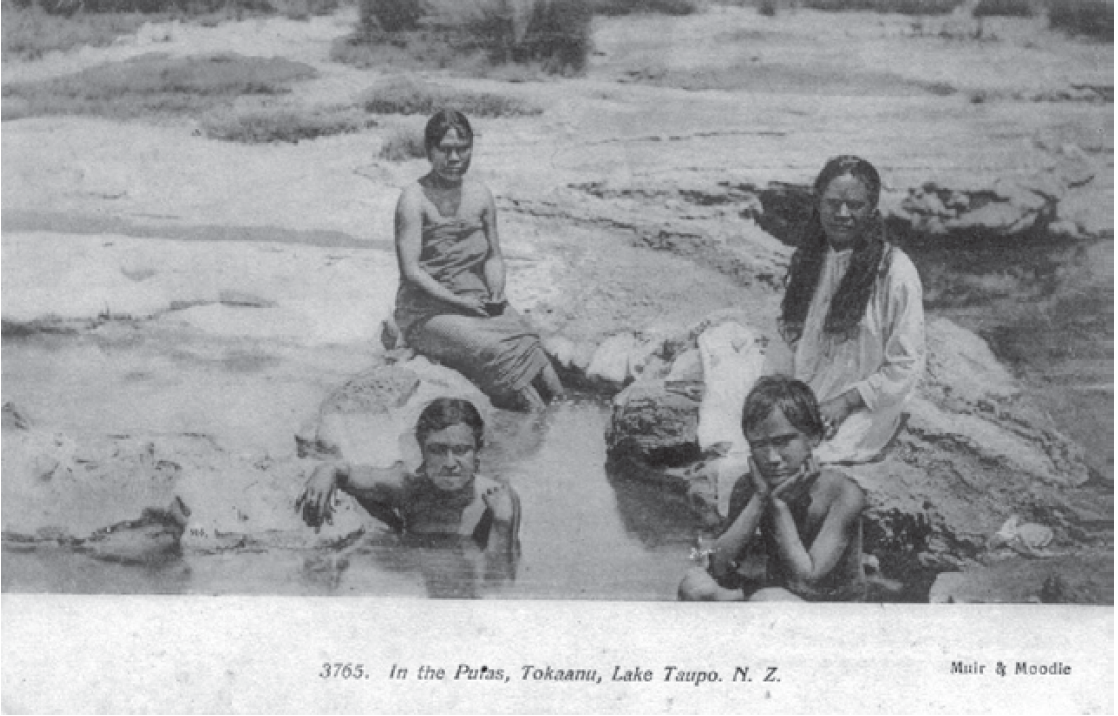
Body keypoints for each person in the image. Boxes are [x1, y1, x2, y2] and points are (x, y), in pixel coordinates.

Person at [393, 109, 563, 411]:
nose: (455, 158)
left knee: (531, 345)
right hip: (426, 312)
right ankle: (535, 427)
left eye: (462, 149)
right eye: (445, 150)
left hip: (477, 300)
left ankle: (557, 417)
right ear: (429, 152)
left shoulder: (480, 194)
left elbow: (494, 257)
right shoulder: (413, 199)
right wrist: (461, 304)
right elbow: (412, 272)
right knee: (496, 350)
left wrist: (497, 291)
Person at [778, 155, 925, 464]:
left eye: (854, 205)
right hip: (804, 394)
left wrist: (845, 402)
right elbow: (786, 341)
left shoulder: (895, 271)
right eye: (832, 203)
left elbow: (906, 364)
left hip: (862, 406)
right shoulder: (809, 260)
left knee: (813, 457)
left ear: (872, 210)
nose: (842, 214)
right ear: (818, 204)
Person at [678, 376, 867, 602]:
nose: (772, 458)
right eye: (759, 445)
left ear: (814, 437)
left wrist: (779, 507)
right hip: (777, 597)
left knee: (766, 599)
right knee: (693, 585)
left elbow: (807, 581)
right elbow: (718, 566)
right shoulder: (750, 486)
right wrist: (759, 499)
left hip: (830, 610)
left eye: (783, 442)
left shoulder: (843, 494)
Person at [296, 398, 520, 561]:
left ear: (478, 452)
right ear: (422, 451)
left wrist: (502, 524)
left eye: (461, 450)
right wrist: (327, 471)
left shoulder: (497, 500)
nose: (450, 463)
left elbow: (499, 584)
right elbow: (350, 474)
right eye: (437, 450)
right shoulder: (408, 486)